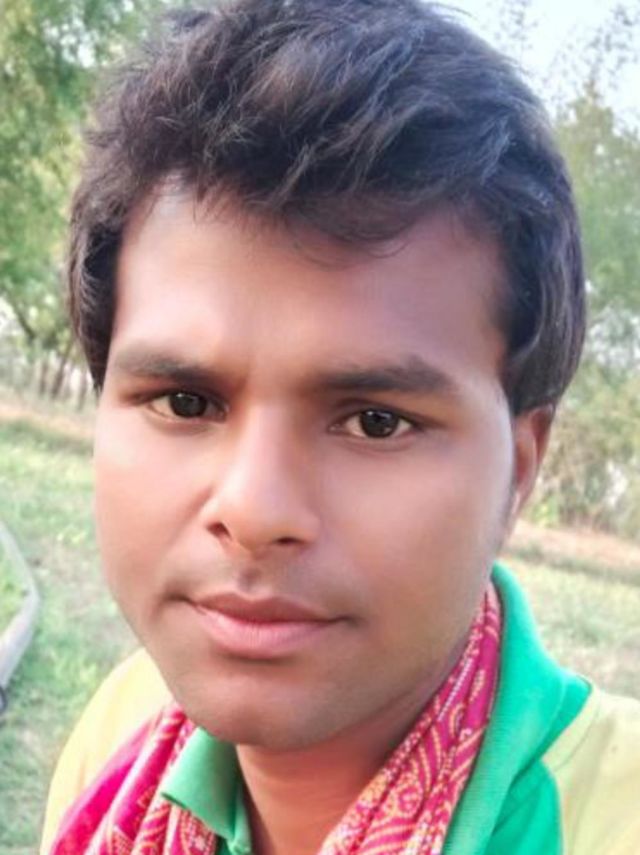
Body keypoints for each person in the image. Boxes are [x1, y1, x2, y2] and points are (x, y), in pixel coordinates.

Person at [40, 1, 640, 853]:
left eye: (375, 420)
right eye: (185, 401)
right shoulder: (120, 734)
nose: (253, 510)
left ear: (519, 468)